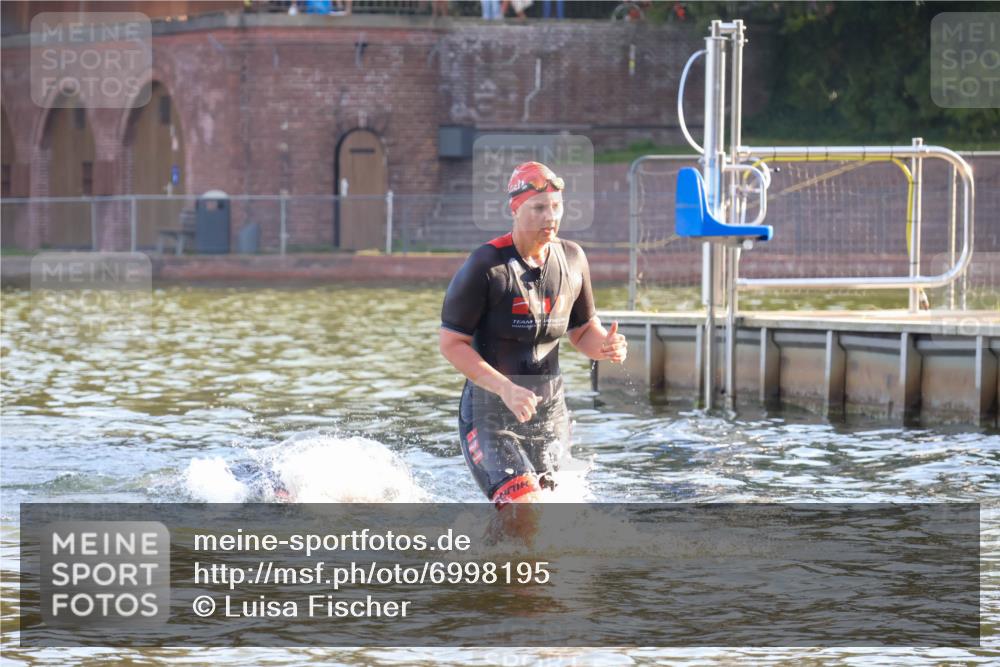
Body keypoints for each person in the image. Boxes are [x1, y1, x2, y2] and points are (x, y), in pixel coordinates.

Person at [439, 161, 627, 509]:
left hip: (549, 412)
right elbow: (451, 344)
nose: (550, 217)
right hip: (491, 411)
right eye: (538, 208)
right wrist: (505, 388)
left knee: (556, 513)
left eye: (556, 207)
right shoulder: (487, 266)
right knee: (524, 510)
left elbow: (582, 329)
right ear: (514, 209)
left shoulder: (572, 259)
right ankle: (476, 558)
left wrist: (603, 345)